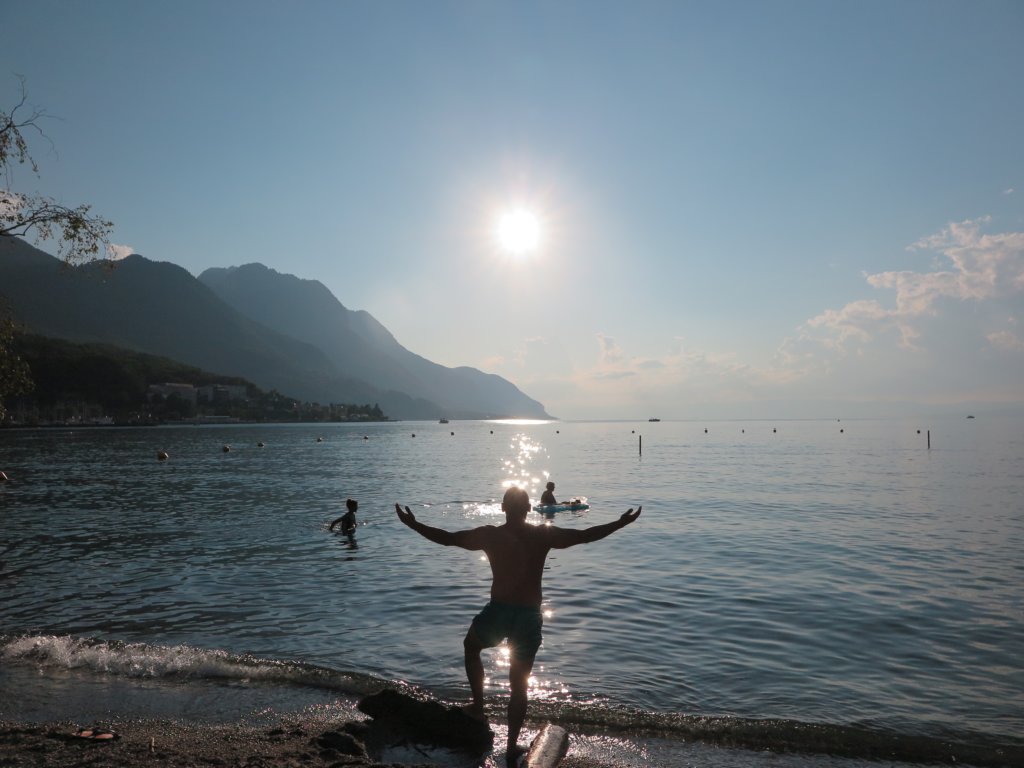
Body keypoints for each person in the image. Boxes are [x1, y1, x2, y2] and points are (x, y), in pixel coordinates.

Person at [395, 487, 641, 766]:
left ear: (503, 508)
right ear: (529, 509)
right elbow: (585, 535)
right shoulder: (542, 535)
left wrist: (414, 524)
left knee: (471, 646)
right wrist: (620, 523)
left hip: (499, 611)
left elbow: (448, 539)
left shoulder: (490, 535)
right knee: (519, 685)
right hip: (528, 616)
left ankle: (478, 707)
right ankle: (511, 746)